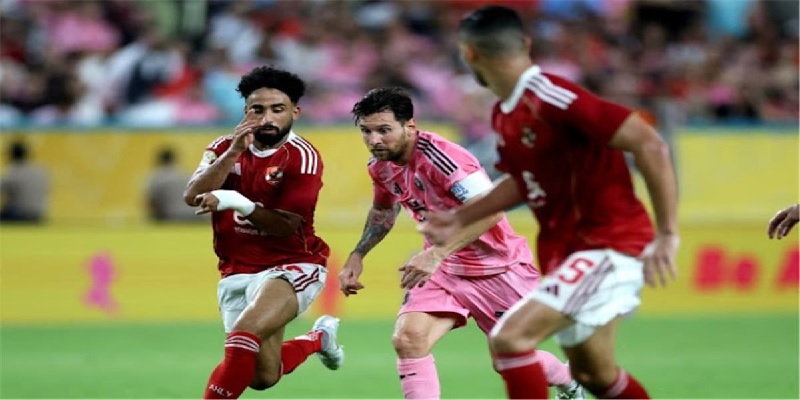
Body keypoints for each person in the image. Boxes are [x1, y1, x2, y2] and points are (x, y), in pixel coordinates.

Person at [419, 6, 679, 399]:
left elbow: (649, 142)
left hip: (606, 245)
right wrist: (461, 217)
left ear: (469, 54)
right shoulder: (505, 112)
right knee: (595, 375)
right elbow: (523, 181)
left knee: (510, 339)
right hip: (568, 252)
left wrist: (668, 233)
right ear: (525, 43)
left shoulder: (551, 95)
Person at [339, 87, 584, 399]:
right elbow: (384, 210)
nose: (374, 140)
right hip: (444, 268)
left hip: (498, 268)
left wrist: (436, 255)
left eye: (384, 130)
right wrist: (358, 254)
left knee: (508, 360)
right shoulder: (380, 166)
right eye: (366, 131)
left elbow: (492, 211)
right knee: (408, 339)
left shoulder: (445, 159)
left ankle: (569, 381)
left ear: (409, 126)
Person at [182, 66, 344, 400]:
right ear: (245, 112)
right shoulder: (222, 147)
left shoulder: (303, 157)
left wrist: (235, 201)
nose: (267, 118)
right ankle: (317, 339)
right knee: (262, 377)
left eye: (277, 109)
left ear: (295, 112)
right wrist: (233, 152)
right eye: (258, 109)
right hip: (236, 269)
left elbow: (286, 226)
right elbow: (192, 196)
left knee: (245, 333)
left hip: (292, 263)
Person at [146, 147, 204, 222]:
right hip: (196, 216)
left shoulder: (156, 177)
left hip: (173, 218)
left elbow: (152, 202)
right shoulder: (185, 174)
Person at [0, 140, 49, 223]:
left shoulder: (13, 171)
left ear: (11, 155)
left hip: (19, 215)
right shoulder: (40, 171)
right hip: (39, 215)